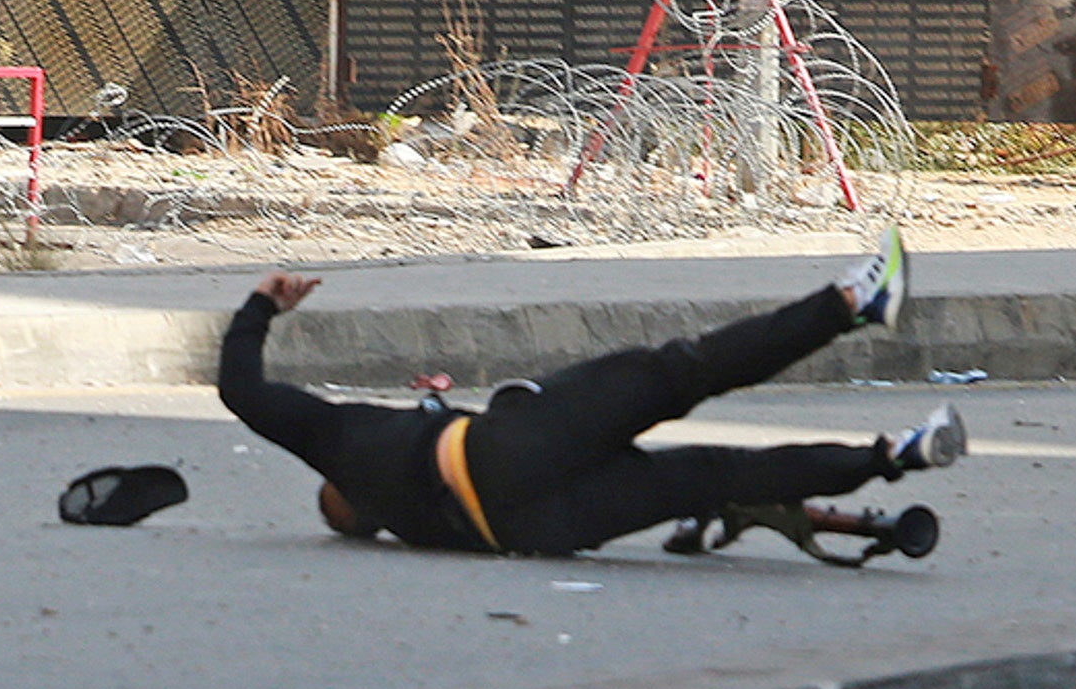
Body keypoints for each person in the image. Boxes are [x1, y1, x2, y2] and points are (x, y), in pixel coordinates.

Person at [212, 238, 957, 564]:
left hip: (538, 530)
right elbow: (240, 389)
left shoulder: (408, 522)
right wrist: (260, 304)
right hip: (502, 450)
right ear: (343, 494)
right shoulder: (339, 442)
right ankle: (855, 302)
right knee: (683, 373)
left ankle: (894, 454)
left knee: (716, 476)